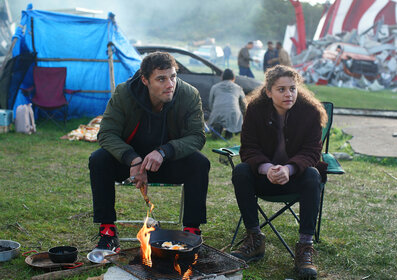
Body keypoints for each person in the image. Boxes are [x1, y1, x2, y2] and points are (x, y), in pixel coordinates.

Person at [89, 52, 210, 252]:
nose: (169, 84)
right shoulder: (124, 94)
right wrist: (132, 159)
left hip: (168, 161)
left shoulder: (188, 95)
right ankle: (107, 231)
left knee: (199, 163)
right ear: (145, 80)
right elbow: (106, 134)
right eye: (161, 79)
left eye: (173, 77)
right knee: (98, 159)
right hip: (130, 164)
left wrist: (164, 151)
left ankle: (191, 232)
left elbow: (197, 136)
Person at [230, 65, 328, 279]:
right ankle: (254, 238)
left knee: (313, 174)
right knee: (241, 171)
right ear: (268, 91)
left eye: (292, 88)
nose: (288, 94)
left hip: (296, 178)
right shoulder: (256, 109)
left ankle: (305, 247)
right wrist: (267, 169)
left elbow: (312, 151)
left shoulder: (310, 111)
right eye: (281, 89)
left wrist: (289, 169)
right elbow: (248, 148)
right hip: (263, 177)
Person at [208, 69, 246, 139]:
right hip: (233, 114)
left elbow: (210, 102)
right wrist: (243, 114)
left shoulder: (215, 87)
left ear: (221, 77)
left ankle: (217, 129)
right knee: (234, 114)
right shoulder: (238, 88)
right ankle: (230, 132)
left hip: (217, 113)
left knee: (218, 118)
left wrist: (213, 111)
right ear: (233, 78)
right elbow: (243, 104)